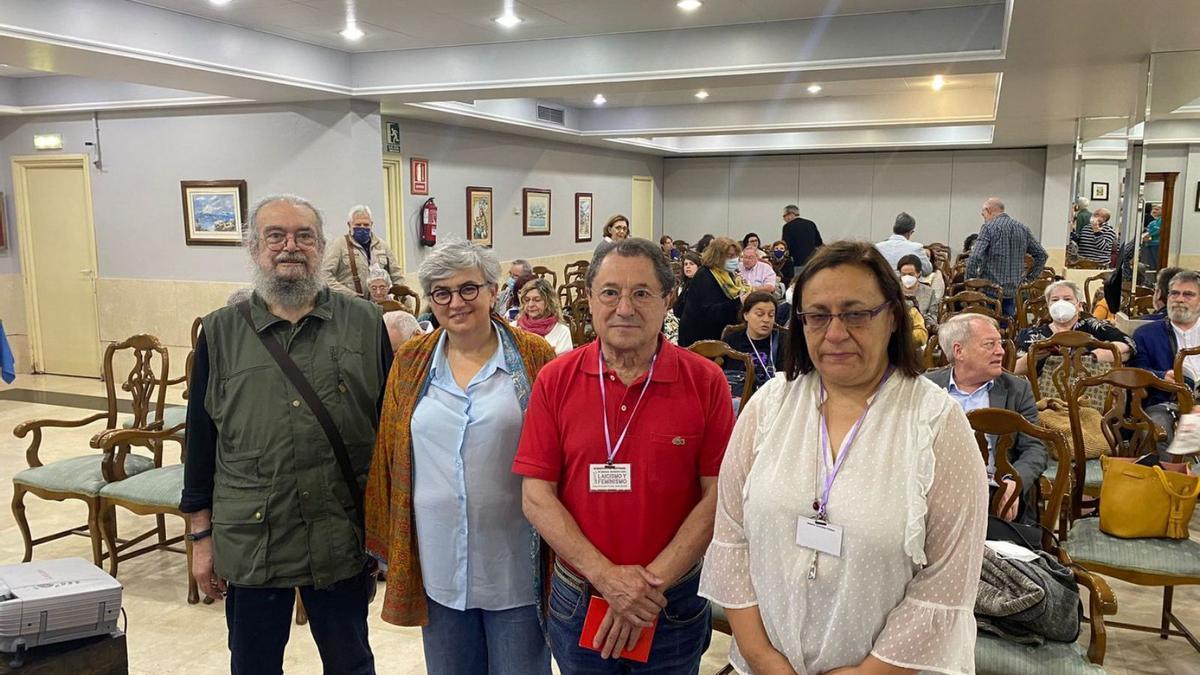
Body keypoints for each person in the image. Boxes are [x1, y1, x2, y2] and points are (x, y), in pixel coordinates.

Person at [699, 240, 987, 675]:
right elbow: (733, 539)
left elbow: (948, 580)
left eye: (855, 314)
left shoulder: (937, 422)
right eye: (818, 316)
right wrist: (762, 657)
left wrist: (867, 672)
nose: (835, 333)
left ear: (892, 316)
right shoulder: (769, 406)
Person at [181, 194, 392, 675]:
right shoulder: (219, 333)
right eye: (275, 236)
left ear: (322, 247)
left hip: (340, 532)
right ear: (255, 248)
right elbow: (199, 446)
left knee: (351, 663)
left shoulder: (363, 322)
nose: (289, 247)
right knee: (253, 666)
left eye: (304, 237)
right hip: (255, 537)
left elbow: (390, 434)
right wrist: (201, 539)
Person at [514, 237, 736, 674]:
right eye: (610, 292)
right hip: (579, 597)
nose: (625, 308)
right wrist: (607, 579)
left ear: (667, 300)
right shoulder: (555, 379)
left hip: (671, 602)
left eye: (641, 293)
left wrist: (643, 587)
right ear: (591, 300)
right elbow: (536, 495)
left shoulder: (705, 381)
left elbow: (721, 497)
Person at [364, 239, 557, 675]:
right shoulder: (412, 361)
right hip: (438, 566)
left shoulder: (534, 357)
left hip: (514, 566)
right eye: (441, 292)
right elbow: (389, 449)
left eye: (469, 289)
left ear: (493, 291)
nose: (456, 302)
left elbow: (560, 453)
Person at [928, 314, 1047, 524]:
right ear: (959, 351)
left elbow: (1035, 448)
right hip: (933, 494)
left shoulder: (1017, 390)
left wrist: (1014, 481)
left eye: (999, 343)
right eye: (989, 344)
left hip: (994, 495)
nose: (1000, 351)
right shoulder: (926, 387)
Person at [1130, 270, 1200, 458]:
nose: (1179, 299)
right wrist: (1161, 376)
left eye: (1188, 294)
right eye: (1174, 293)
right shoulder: (1146, 333)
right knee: (1156, 427)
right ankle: (1170, 481)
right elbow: (1137, 370)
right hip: (1164, 402)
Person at [1014, 280, 1134, 375]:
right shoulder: (1032, 335)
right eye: (1055, 300)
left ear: (1079, 305)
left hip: (1090, 395)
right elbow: (1013, 370)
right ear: (1048, 306)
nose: (1061, 304)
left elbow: (1128, 345)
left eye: (1067, 299)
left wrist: (1097, 354)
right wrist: (1032, 357)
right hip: (1045, 398)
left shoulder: (1093, 326)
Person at [965, 197, 1048, 317]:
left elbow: (975, 256)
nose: (984, 219)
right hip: (1014, 290)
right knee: (1008, 326)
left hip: (990, 290)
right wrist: (1029, 279)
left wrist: (971, 281)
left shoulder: (988, 227)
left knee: (989, 324)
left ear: (988, 211)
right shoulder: (1022, 228)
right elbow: (1042, 255)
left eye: (983, 215)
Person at [322, 204, 405, 299]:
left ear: (371, 224)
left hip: (378, 305)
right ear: (349, 225)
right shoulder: (339, 245)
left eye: (366, 225)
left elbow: (397, 275)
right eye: (358, 225)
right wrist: (348, 294)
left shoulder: (382, 245)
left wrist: (403, 298)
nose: (362, 228)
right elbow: (324, 276)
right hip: (351, 305)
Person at [677, 237, 749, 346]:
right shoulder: (704, 275)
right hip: (700, 337)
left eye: (736, 256)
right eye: (729, 256)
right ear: (717, 257)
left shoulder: (728, 273)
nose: (734, 259)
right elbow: (709, 312)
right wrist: (739, 301)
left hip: (719, 331)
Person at [722, 292, 785, 398]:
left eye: (771, 315)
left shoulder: (784, 341)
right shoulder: (731, 341)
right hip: (739, 399)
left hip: (774, 399)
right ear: (746, 315)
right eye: (760, 314)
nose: (766, 320)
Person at [514, 277, 574, 355]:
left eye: (537, 300)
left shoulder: (561, 331)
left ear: (549, 302)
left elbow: (564, 364)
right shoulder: (514, 328)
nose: (530, 305)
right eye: (527, 300)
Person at [897, 254, 938, 330]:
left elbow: (933, 317)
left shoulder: (929, 292)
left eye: (911, 274)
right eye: (904, 274)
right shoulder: (895, 289)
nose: (907, 277)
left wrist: (919, 318)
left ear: (918, 273)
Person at [780, 204, 823, 270]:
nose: (784, 219)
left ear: (791, 214)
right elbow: (819, 243)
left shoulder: (788, 227)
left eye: (784, 216)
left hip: (797, 262)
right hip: (812, 262)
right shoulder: (811, 224)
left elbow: (786, 246)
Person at [1142, 203, 1162, 271]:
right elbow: (1147, 230)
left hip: (1156, 244)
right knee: (1150, 263)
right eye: (1153, 209)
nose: (1154, 211)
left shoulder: (1162, 221)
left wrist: (1149, 235)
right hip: (1149, 243)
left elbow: (1158, 230)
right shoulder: (1153, 222)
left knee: (1156, 263)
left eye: (1157, 209)